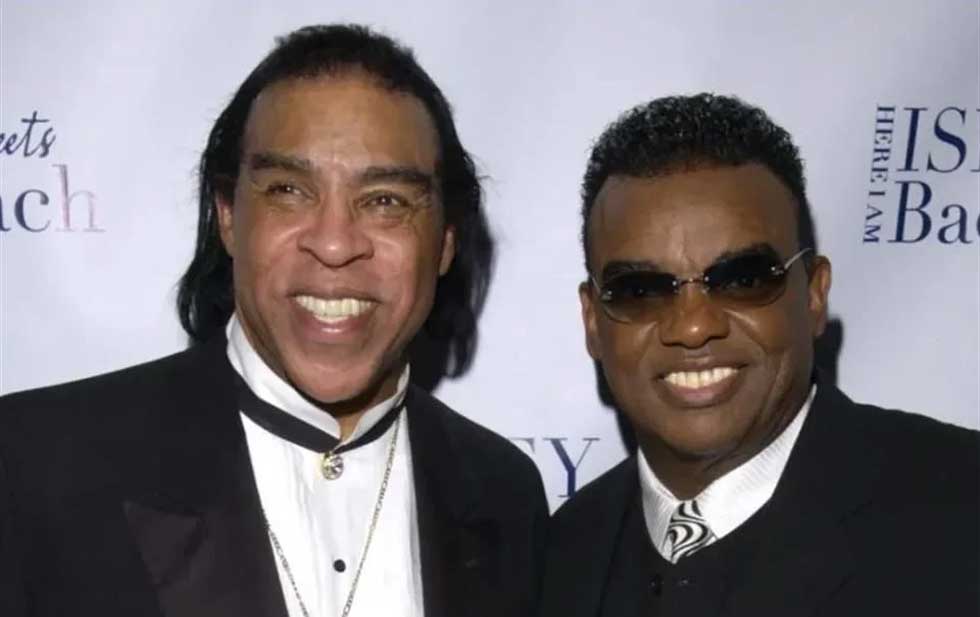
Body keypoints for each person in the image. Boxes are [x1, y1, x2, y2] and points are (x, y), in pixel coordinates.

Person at [0, 24, 547, 617]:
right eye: (288, 190)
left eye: (385, 200)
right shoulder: (35, 465)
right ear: (228, 217)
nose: (334, 244)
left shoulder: (505, 495)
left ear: (445, 241)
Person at [538, 93, 979, 616]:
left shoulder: (962, 509)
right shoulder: (556, 561)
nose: (693, 326)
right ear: (592, 320)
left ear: (813, 294)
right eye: (640, 290)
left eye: (742, 280)